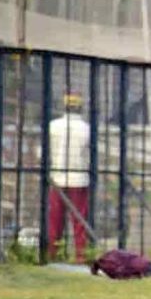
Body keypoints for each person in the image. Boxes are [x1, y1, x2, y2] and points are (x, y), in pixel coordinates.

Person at [48, 93, 91, 262]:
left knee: (55, 220)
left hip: (57, 177)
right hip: (79, 177)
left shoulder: (53, 126)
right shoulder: (86, 128)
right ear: (80, 107)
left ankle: (53, 253)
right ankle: (82, 255)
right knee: (80, 221)